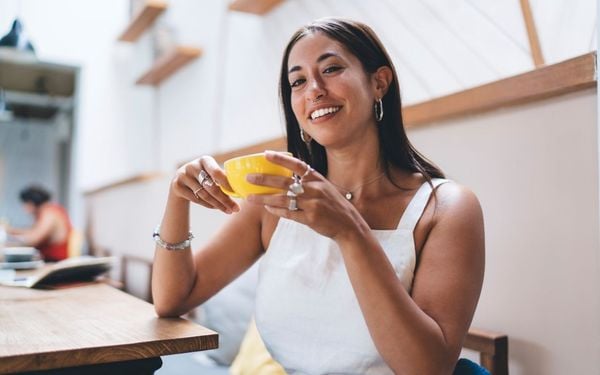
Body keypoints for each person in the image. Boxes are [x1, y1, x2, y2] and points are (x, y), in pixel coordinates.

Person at [153, 17, 485, 374]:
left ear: (379, 82)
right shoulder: (273, 202)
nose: (314, 89)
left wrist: (349, 231)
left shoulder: (445, 209)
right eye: (298, 81)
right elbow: (174, 298)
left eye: (331, 68)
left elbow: (427, 368)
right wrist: (178, 196)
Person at [7, 185, 72, 262]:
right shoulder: (46, 212)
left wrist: (10, 242)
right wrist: (11, 230)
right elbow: (33, 231)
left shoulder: (49, 214)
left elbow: (33, 239)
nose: (24, 208)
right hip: (48, 260)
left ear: (31, 203)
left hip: (53, 263)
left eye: (25, 204)